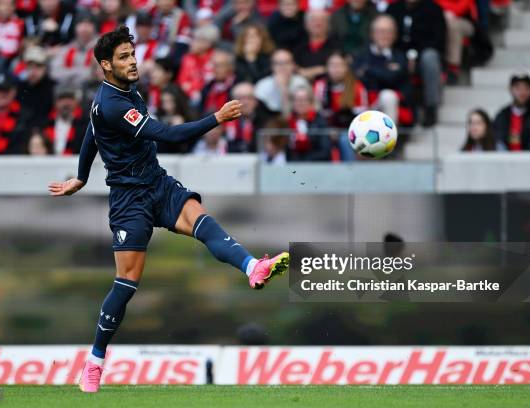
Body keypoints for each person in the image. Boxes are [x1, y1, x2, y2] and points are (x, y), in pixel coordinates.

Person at [47, 26, 289, 393]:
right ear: (105, 65)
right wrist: (216, 119)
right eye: (124, 57)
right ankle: (95, 361)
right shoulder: (112, 103)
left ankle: (253, 267)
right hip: (130, 200)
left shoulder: (122, 92)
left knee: (200, 218)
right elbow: (166, 135)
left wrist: (80, 176)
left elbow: (91, 133)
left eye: (133, 54)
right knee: (127, 282)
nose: (133, 62)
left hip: (157, 184)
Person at [387, 0, 446, 127]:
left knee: (430, 58)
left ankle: (431, 107)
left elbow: (439, 41)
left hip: (423, 55)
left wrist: (414, 55)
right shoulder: (393, 9)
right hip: (398, 55)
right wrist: (403, 58)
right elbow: (387, 38)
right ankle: (403, 112)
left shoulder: (434, 9)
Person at [353, 15, 412, 125]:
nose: (384, 35)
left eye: (388, 31)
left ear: (394, 35)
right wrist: (385, 71)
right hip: (365, 102)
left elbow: (393, 78)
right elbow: (358, 78)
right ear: (372, 34)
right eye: (380, 31)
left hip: (391, 105)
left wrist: (368, 70)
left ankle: (389, 139)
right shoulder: (360, 55)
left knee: (387, 95)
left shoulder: (400, 56)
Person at [254, 49, 310, 117]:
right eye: (278, 63)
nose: (283, 67)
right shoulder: (262, 85)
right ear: (272, 66)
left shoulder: (301, 82)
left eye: (287, 63)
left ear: (293, 65)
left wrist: (284, 89)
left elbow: (310, 108)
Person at [494, 74, 530, 151]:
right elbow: (498, 141)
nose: (522, 92)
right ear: (511, 89)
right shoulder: (502, 115)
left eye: (526, 88)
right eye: (518, 88)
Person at [287, 86, 331, 161]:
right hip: (292, 167)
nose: (300, 103)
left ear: (311, 103)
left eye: (304, 100)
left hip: (315, 165)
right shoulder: (287, 122)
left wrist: (304, 161)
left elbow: (325, 151)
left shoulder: (319, 121)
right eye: (297, 100)